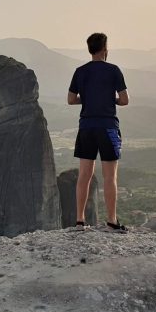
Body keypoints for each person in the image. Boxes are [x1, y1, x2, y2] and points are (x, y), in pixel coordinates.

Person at [67, 32, 129, 232]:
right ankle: (111, 221)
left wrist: (89, 99)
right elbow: (125, 99)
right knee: (110, 176)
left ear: (89, 49)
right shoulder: (113, 70)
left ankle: (79, 221)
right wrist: (109, 100)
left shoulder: (80, 71)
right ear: (105, 49)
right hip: (108, 127)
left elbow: (71, 99)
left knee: (84, 175)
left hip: (86, 127)